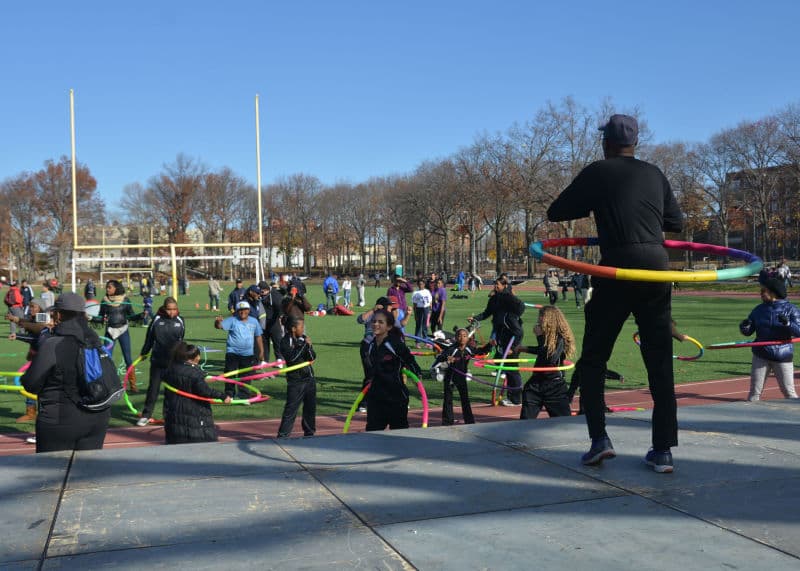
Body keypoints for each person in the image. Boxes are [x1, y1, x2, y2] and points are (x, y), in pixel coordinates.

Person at [547, 113, 683, 473]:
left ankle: (599, 440)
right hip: (656, 268)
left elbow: (556, 211)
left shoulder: (597, 172)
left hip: (616, 266)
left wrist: (598, 204)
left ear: (606, 142)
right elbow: (676, 224)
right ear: (634, 143)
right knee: (659, 363)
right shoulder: (654, 173)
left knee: (593, 359)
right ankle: (663, 450)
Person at [21, 293, 111, 452]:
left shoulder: (53, 344)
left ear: (59, 315)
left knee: (54, 473)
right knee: (87, 474)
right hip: (97, 418)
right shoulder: (95, 340)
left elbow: (30, 384)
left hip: (60, 420)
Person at [739, 276, 800, 401]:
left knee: (789, 393)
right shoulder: (758, 309)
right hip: (761, 354)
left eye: (763, 291)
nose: (760, 294)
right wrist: (744, 327)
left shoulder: (791, 309)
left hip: (782, 355)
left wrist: (787, 324)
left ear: (773, 292)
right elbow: (748, 332)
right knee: (754, 393)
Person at [468, 276, 525, 406]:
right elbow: (487, 313)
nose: (495, 287)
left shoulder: (509, 298)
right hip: (502, 336)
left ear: (504, 285)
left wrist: (514, 345)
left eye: (497, 285)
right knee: (507, 368)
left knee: (512, 369)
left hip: (512, 338)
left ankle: (516, 399)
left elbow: (521, 308)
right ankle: (513, 397)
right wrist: (475, 318)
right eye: (495, 284)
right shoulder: (495, 298)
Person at [363, 308, 422, 431]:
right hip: (376, 397)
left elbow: (411, 362)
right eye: (374, 321)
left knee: (399, 435)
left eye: (380, 322)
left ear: (389, 327)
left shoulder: (394, 344)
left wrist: (417, 379)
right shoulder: (370, 345)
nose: (375, 324)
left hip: (395, 397)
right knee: (372, 433)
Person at [163, 342, 232, 444]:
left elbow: (189, 379)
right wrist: (223, 396)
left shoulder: (172, 368)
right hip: (193, 413)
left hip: (174, 410)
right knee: (200, 442)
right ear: (196, 357)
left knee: (177, 441)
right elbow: (204, 391)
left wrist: (213, 378)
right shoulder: (194, 373)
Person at [519, 306, 576, 420]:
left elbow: (550, 359)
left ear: (549, 319)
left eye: (541, 316)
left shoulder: (560, 339)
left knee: (564, 424)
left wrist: (539, 337)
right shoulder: (546, 337)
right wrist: (524, 348)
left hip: (554, 386)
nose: (539, 319)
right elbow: (543, 351)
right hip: (535, 384)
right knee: (525, 421)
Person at [136, 297, 185, 426]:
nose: (172, 312)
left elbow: (181, 341)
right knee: (153, 389)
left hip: (173, 363)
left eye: (174, 309)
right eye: (169, 309)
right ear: (164, 308)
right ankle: (146, 415)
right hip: (158, 361)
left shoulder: (180, 321)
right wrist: (144, 353)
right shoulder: (156, 320)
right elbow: (149, 338)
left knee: (171, 391)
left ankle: (169, 416)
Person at [7, 297, 52, 425]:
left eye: (34, 306)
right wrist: (17, 327)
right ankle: (30, 412)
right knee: (30, 382)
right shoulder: (34, 318)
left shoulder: (44, 318)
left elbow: (37, 329)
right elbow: (31, 328)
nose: (31, 308)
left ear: (40, 308)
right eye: (30, 306)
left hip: (43, 358)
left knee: (40, 385)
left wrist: (18, 322)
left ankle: (41, 411)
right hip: (35, 357)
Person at [276, 315, 317, 437]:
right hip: (295, 382)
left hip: (309, 379)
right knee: (291, 410)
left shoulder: (304, 339)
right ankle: (283, 435)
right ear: (293, 328)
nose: (303, 329)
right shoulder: (284, 342)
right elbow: (292, 358)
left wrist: (308, 346)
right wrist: (303, 344)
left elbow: (312, 357)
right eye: (301, 326)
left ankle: (309, 433)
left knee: (310, 409)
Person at [215, 301, 265, 399]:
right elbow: (219, 326)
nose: (243, 312)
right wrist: (217, 322)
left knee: (245, 376)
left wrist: (261, 351)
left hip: (247, 354)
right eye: (240, 310)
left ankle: (244, 395)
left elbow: (258, 336)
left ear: (249, 310)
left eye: (245, 310)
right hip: (232, 353)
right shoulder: (232, 320)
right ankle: (229, 394)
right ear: (237, 311)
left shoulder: (254, 321)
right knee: (230, 374)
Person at [432, 327, 476, 425]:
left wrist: (490, 345)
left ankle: (469, 420)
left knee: (465, 399)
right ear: (455, 337)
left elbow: (480, 352)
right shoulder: (452, 349)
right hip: (450, 377)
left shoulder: (469, 349)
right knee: (448, 399)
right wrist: (447, 359)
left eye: (464, 336)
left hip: (461, 377)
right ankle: (447, 421)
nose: (462, 338)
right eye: (459, 336)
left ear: (467, 338)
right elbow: (440, 357)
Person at [99, 280, 137, 390]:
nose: (107, 289)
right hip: (110, 332)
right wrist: (92, 318)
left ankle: (133, 384)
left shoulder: (125, 300)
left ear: (116, 288)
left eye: (109, 287)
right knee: (106, 358)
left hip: (123, 330)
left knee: (128, 358)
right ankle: (108, 383)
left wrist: (142, 315)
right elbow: (100, 316)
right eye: (107, 287)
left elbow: (132, 316)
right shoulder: (104, 301)